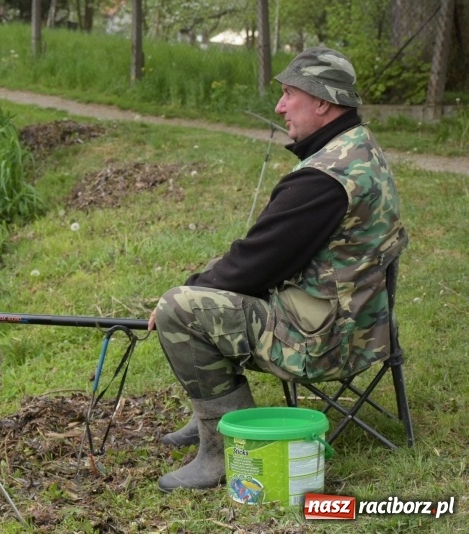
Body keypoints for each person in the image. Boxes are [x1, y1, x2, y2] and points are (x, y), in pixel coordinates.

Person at [147, 47, 408, 493]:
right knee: (205, 289)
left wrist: (183, 293)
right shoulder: (359, 148)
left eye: (289, 95)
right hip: (366, 324)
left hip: (322, 342)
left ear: (322, 102)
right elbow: (265, 258)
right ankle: (210, 416)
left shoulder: (322, 179)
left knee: (180, 309)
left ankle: (222, 448)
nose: (279, 107)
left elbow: (252, 265)